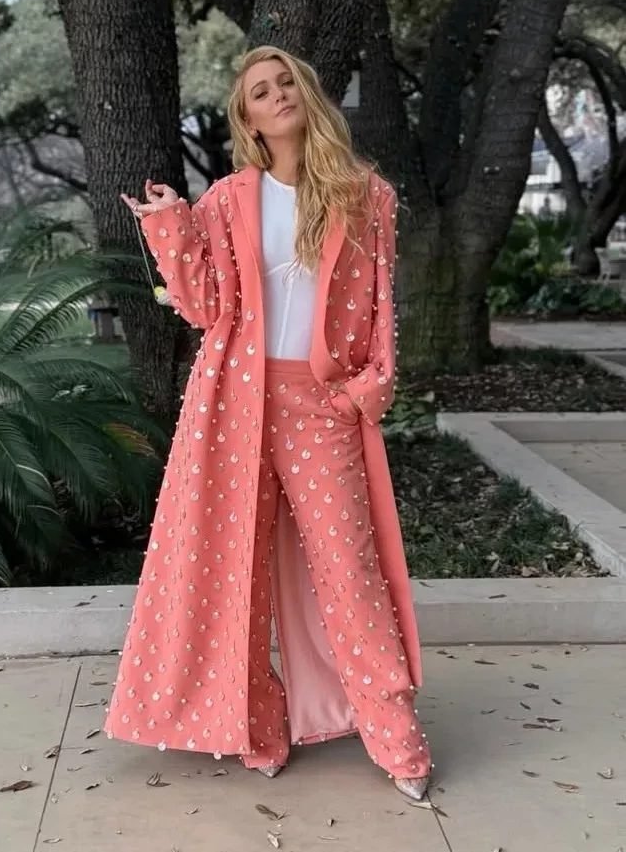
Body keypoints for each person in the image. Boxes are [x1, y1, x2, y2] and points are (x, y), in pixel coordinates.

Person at [108, 46, 432, 801]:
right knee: (236, 568)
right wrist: (168, 225)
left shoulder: (366, 196)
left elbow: (381, 303)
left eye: (286, 82)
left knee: (349, 569)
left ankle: (396, 737)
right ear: (248, 118)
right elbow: (204, 307)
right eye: (260, 90)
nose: (278, 94)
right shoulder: (227, 200)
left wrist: (367, 388)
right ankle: (257, 726)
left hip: (322, 406)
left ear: (306, 95)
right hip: (234, 401)